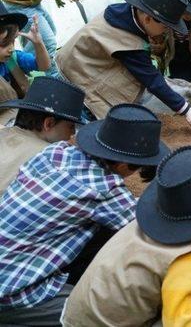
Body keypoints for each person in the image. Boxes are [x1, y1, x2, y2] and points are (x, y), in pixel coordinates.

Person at [0, 104, 170, 325]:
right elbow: (152, 234)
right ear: (121, 165)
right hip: (12, 291)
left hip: (9, 261)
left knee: (99, 232)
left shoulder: (56, 152)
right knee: (97, 315)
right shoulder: (106, 188)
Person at [62, 145, 191, 327]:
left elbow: (165, 244)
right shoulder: (188, 259)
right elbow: (182, 323)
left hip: (76, 318)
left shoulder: (141, 225)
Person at [56, 0, 191, 129]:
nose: (167, 31)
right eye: (165, 27)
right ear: (148, 19)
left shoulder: (126, 12)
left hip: (84, 59)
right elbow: (152, 80)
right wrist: (187, 111)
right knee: (97, 120)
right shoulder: (129, 44)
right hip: (75, 73)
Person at [0, 76, 85, 195]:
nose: (72, 134)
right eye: (70, 127)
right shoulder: (51, 155)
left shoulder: (3, 133)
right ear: (49, 123)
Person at [0, 2, 49, 124]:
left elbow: (43, 66)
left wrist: (38, 43)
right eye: (4, 43)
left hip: (19, 115)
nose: (11, 48)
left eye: (12, 41)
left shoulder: (12, 59)